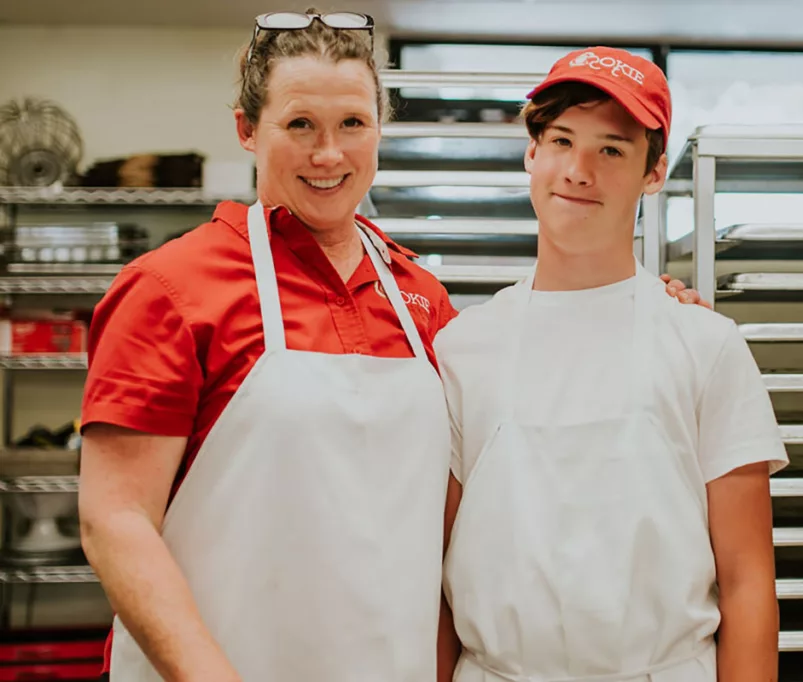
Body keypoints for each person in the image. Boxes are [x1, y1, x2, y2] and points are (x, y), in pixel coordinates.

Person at [77, 14, 706, 682]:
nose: (329, 154)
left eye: (352, 124)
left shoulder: (420, 298)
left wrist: (642, 305)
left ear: (380, 129)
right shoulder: (171, 288)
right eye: (299, 125)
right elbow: (116, 521)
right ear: (247, 131)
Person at [436, 47, 790, 682]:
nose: (578, 170)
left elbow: (748, 584)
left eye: (612, 150)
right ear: (531, 154)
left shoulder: (707, 345)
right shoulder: (464, 347)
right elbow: (433, 580)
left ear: (653, 174)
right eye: (562, 140)